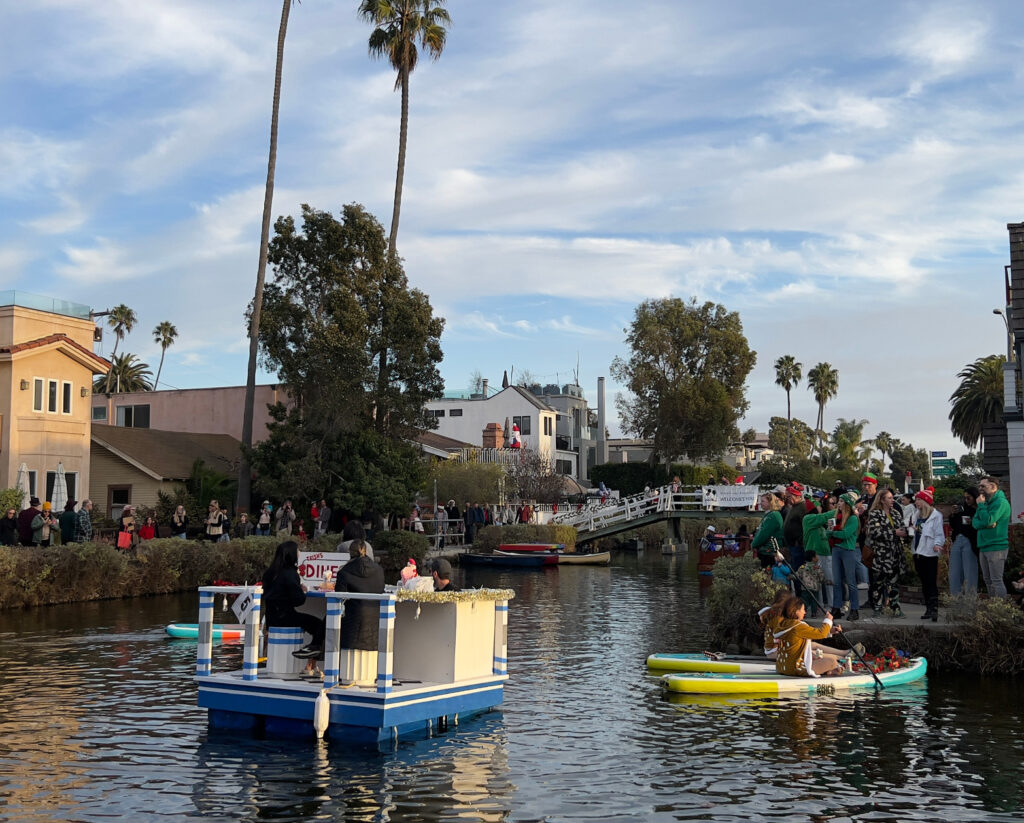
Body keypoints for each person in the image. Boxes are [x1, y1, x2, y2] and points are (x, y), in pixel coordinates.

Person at [261, 541, 325, 659]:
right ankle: (312, 650)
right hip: (286, 617)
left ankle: (310, 657)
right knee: (320, 625)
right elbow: (298, 601)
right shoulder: (290, 573)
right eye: (297, 550)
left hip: (270, 618)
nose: (299, 552)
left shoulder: (269, 573)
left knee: (309, 623)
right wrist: (303, 591)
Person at [335, 539, 385, 655]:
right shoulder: (379, 570)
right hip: (375, 624)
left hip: (352, 624)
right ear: (366, 551)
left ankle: (315, 658)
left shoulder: (344, 572)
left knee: (328, 621)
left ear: (350, 553)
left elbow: (338, 596)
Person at [774, 594, 844, 677]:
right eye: (803, 609)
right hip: (796, 668)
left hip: (782, 667)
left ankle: (827, 671)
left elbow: (812, 633)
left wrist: (830, 631)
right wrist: (828, 620)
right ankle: (828, 670)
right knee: (832, 661)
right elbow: (821, 633)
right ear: (797, 612)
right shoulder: (798, 627)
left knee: (817, 658)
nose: (805, 612)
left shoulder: (783, 624)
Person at [867, 487, 907, 617]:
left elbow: (901, 528)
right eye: (889, 498)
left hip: (895, 553)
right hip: (880, 554)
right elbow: (874, 532)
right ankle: (877, 608)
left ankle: (895, 608)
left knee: (894, 583)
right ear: (882, 500)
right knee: (878, 583)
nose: (892, 500)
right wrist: (894, 533)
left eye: (892, 498)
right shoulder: (875, 514)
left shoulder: (896, 513)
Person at [973, 475, 1010, 598]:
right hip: (984, 546)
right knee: (988, 581)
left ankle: (1001, 612)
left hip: (997, 547)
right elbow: (975, 523)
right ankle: (992, 610)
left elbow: (988, 520)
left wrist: (983, 510)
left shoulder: (1000, 502)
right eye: (979, 486)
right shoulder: (984, 503)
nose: (980, 489)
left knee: (996, 580)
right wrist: (985, 523)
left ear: (993, 487)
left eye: (983, 486)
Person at [911, 486, 945, 621]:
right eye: (916, 500)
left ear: (925, 501)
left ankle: (934, 608)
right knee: (924, 582)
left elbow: (939, 533)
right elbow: (912, 529)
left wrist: (938, 544)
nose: (916, 502)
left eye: (918, 499)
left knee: (931, 581)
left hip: (929, 552)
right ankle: (928, 608)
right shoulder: (916, 515)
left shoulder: (936, 516)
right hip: (918, 551)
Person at [830, 491, 861, 620]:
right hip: (837, 550)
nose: (839, 504)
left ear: (848, 504)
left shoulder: (853, 518)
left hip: (848, 550)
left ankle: (854, 609)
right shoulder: (838, 516)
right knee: (837, 581)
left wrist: (831, 534)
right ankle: (836, 607)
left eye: (842, 501)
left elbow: (846, 534)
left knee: (850, 581)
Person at [948, 487, 979, 596]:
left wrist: (972, 521)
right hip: (958, 539)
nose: (966, 500)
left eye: (969, 498)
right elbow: (955, 525)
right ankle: (955, 601)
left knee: (970, 573)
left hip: (971, 541)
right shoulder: (963, 508)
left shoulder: (980, 509)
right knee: (954, 573)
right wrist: (953, 515)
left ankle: (970, 603)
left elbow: (980, 525)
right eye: (965, 498)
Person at [782, 482, 813, 575]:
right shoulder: (793, 507)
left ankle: (800, 588)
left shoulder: (802, 507)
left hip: (798, 546)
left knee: (798, 570)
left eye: (789, 497)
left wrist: (799, 541)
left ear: (796, 495)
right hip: (792, 545)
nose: (787, 499)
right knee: (794, 569)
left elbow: (805, 526)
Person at [751, 492, 785, 569]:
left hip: (769, 551)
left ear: (770, 502)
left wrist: (754, 544)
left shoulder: (772, 516)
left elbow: (764, 534)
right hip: (767, 550)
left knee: (767, 573)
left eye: (763, 501)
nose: (760, 503)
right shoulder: (771, 514)